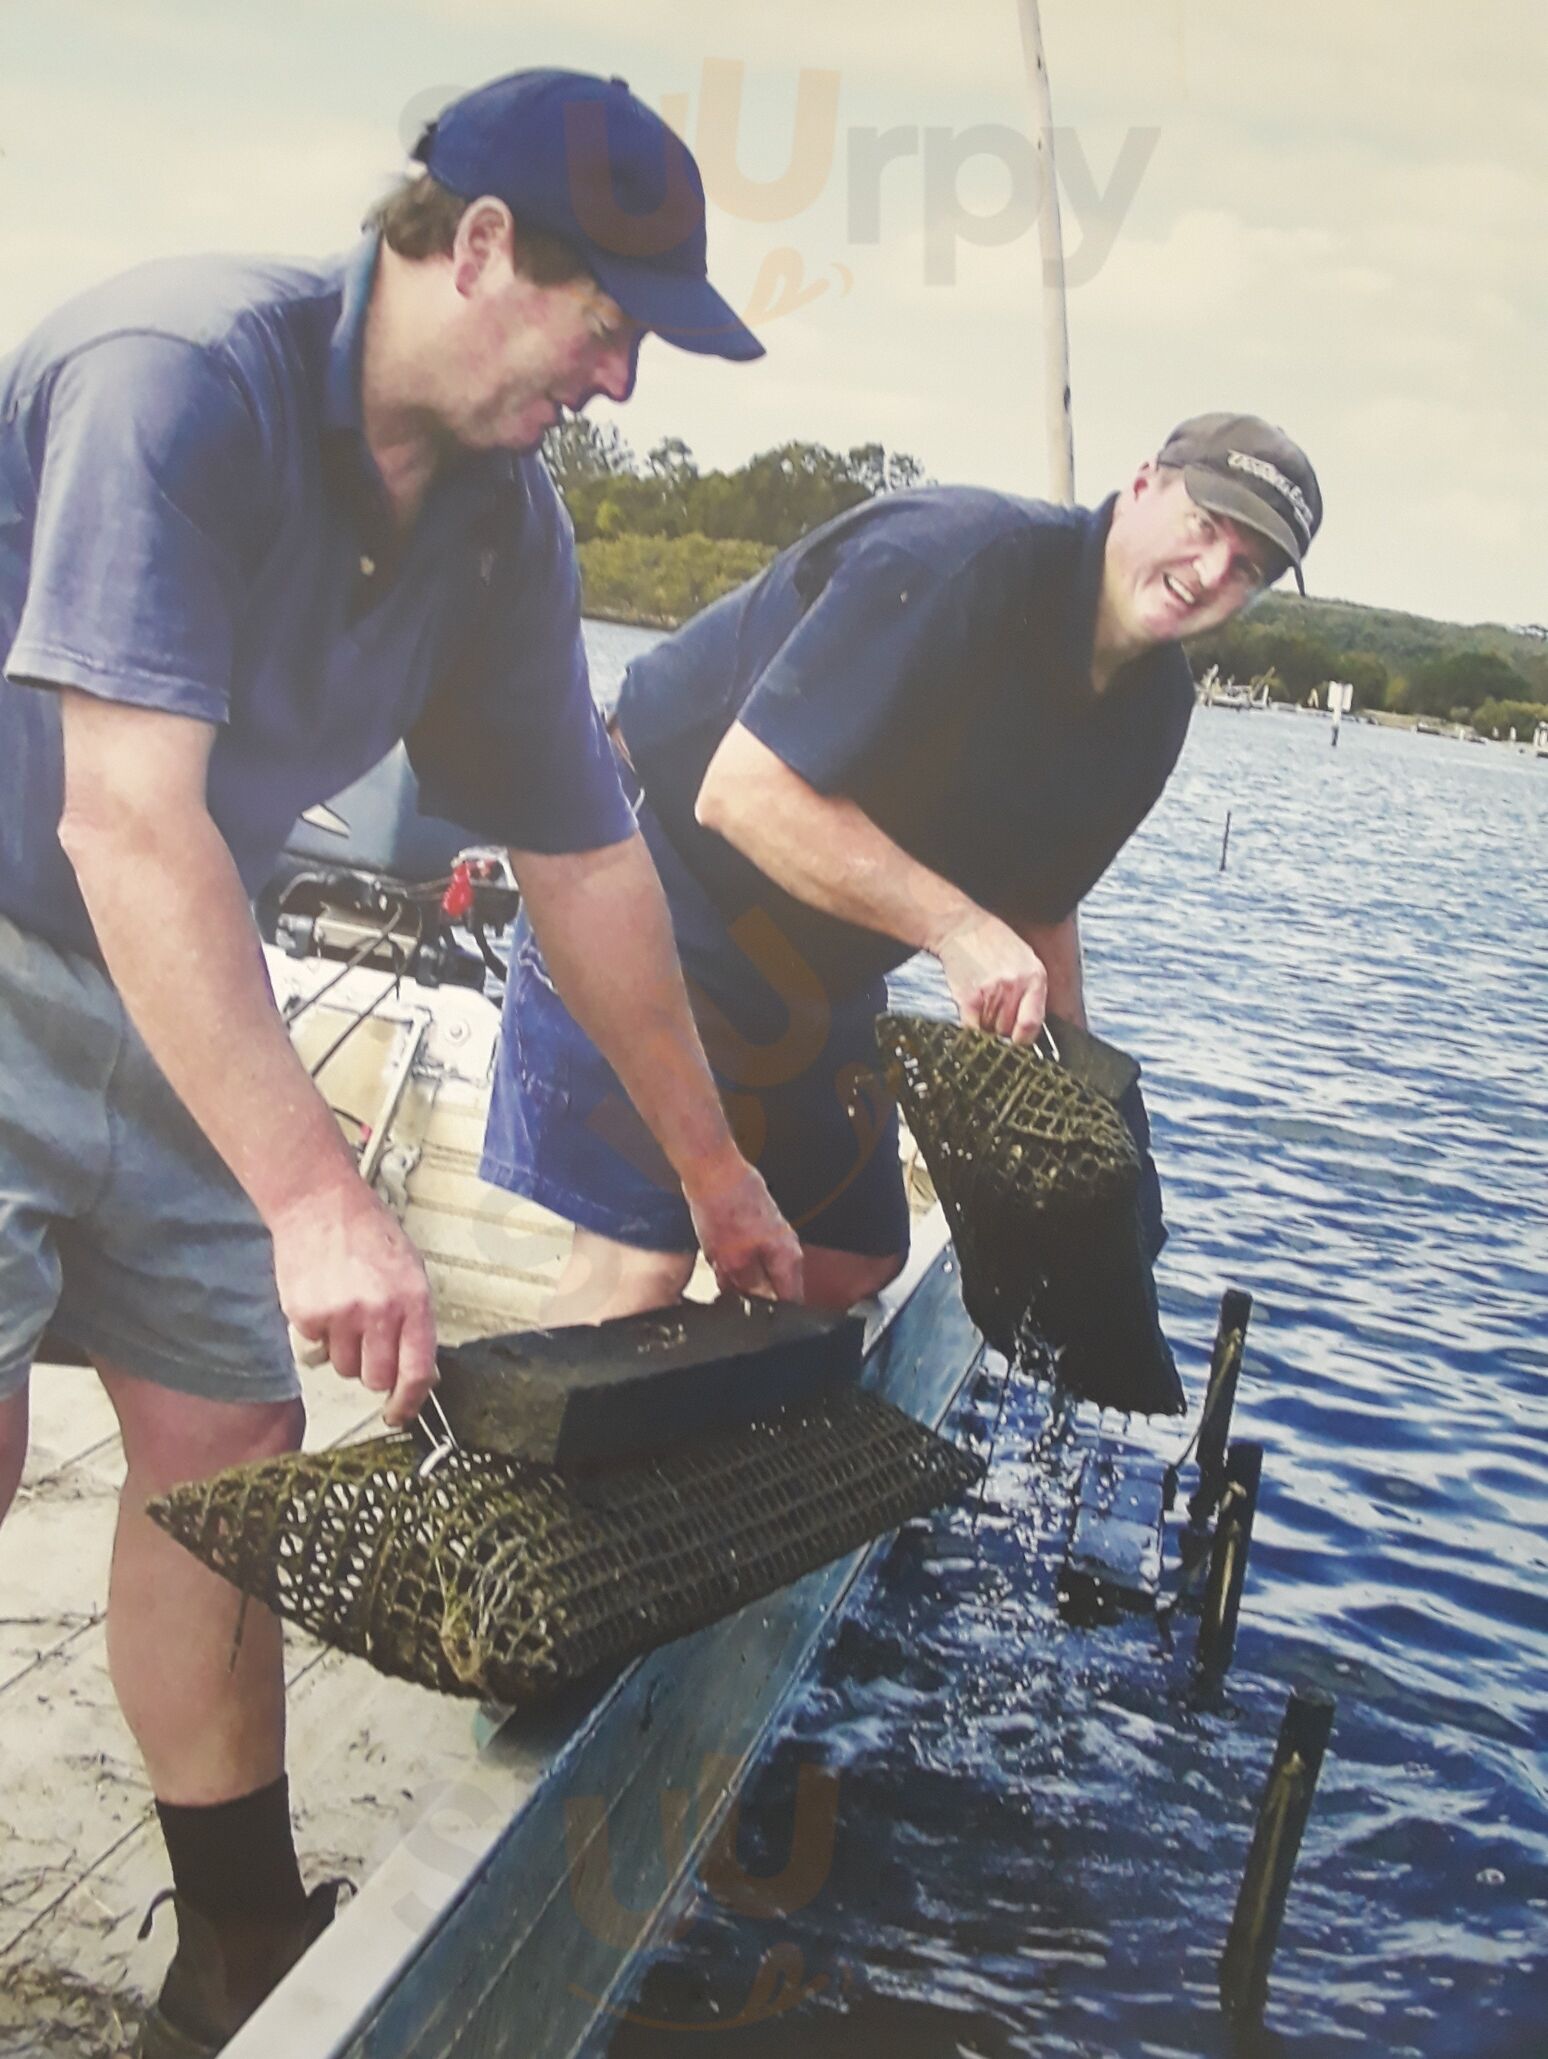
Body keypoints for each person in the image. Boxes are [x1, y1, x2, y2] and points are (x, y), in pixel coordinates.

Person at [0, 68, 803, 2057]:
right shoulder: (178, 374)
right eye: (610, 324)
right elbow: (124, 820)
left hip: (183, 986)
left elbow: (595, 868)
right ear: (478, 249)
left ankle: (238, 1946)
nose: (619, 383)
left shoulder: (505, 531)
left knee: (224, 1457)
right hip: (45, 918)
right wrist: (312, 1194)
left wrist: (716, 1175)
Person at [482, 413, 1322, 1321]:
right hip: (654, 866)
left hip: (813, 954)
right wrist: (957, 929)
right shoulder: (959, 563)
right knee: (643, 1262)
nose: (1211, 573)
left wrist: (1088, 1113)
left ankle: (694, 1424)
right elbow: (740, 794)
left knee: (849, 1259)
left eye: (1250, 568)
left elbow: (1043, 911)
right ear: (1146, 483)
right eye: (1206, 527)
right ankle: (582, 1409)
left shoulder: (1154, 710)